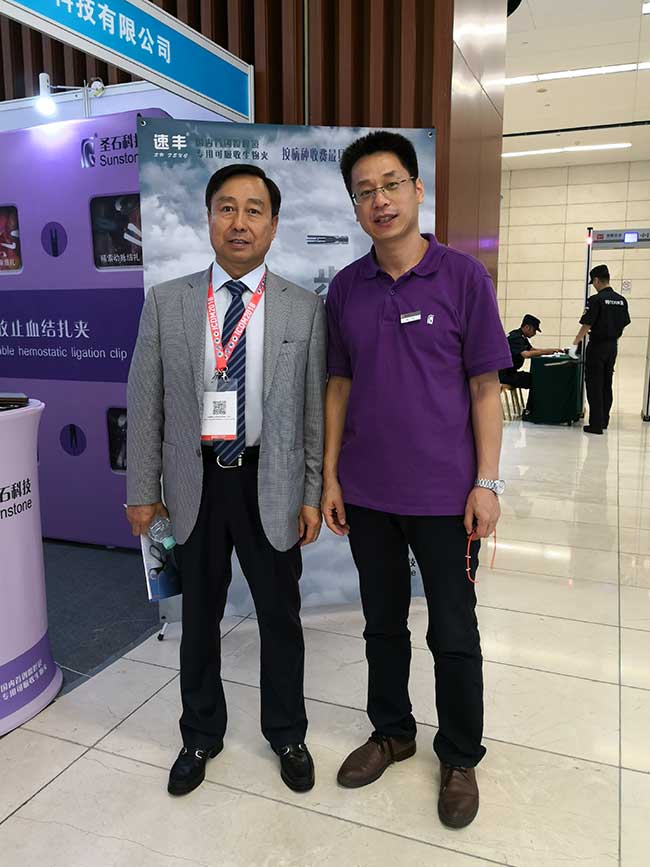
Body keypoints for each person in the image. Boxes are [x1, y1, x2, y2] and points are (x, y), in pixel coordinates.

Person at [321, 131, 512, 829]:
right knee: (381, 623)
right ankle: (393, 732)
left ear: (417, 188)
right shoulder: (347, 288)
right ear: (355, 204)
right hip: (368, 493)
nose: (380, 200)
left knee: (453, 630)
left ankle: (459, 754)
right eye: (365, 191)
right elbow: (338, 387)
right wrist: (330, 477)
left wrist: (488, 482)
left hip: (445, 498)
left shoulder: (463, 278)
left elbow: (486, 388)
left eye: (391, 184)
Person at [126, 164, 326, 796]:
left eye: (254, 210)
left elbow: (313, 411)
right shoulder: (168, 301)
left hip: (272, 481)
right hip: (196, 482)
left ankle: (287, 733)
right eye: (227, 208)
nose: (240, 222)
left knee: (280, 618)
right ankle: (199, 734)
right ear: (209, 217)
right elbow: (145, 400)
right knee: (199, 618)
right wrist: (142, 490)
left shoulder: (303, 307)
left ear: (273, 223)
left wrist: (312, 493)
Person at [569, 264, 630, 434]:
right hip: (612, 346)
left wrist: (575, 343)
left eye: (593, 283)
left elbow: (587, 324)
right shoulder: (621, 300)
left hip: (597, 347)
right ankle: (604, 421)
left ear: (596, 280)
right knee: (606, 384)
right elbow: (624, 324)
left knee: (594, 384)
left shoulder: (596, 300)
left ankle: (595, 425)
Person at [499, 314, 562, 389]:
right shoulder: (516, 337)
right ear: (527, 327)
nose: (534, 333)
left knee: (534, 377)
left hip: (508, 372)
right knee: (535, 380)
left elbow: (531, 350)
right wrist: (547, 352)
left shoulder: (521, 336)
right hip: (503, 375)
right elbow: (526, 354)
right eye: (534, 330)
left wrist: (551, 350)